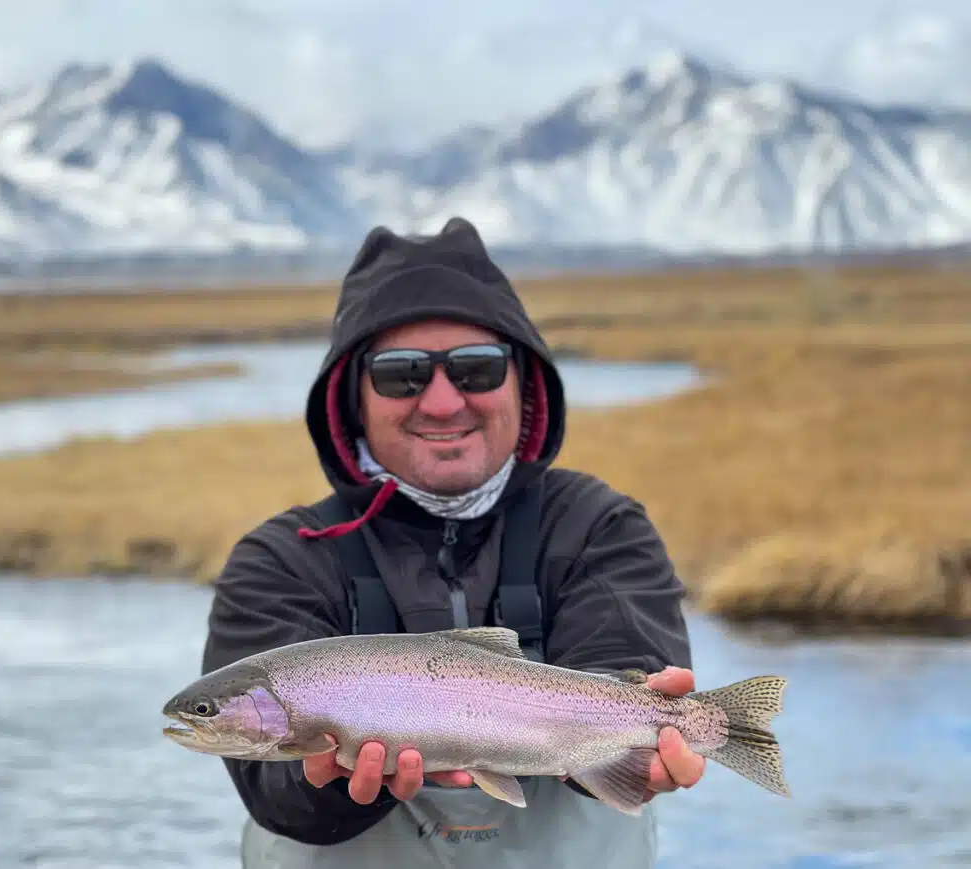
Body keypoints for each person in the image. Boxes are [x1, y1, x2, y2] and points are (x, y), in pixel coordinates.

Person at [200, 217, 705, 869]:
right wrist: (328, 783)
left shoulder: (598, 526)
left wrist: (638, 746)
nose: (442, 402)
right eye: (402, 374)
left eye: (476, 368)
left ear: (522, 382)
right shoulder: (282, 558)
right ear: (352, 399)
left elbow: (621, 661)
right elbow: (270, 787)